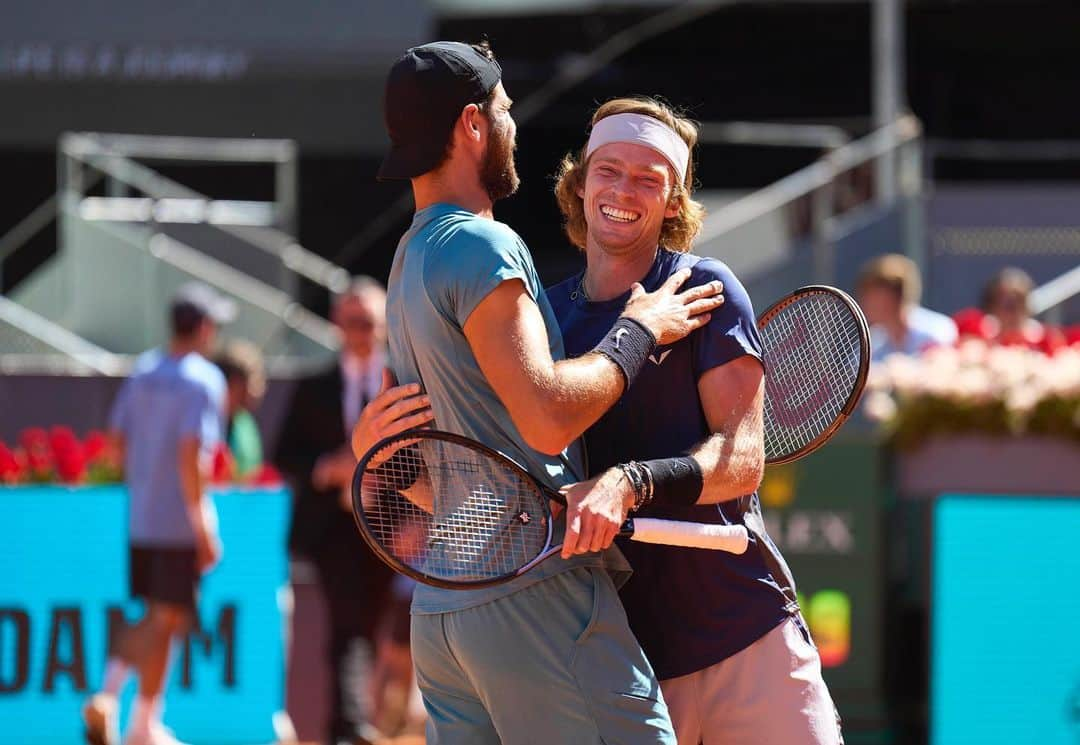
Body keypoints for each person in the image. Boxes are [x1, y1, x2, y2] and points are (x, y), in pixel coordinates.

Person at [359, 96, 844, 744]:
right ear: (580, 183)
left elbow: (741, 458)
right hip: (625, 658)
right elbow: (485, 497)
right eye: (608, 170)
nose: (624, 191)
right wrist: (387, 459)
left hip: (746, 634)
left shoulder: (706, 289)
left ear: (673, 202)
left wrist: (629, 482)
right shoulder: (540, 320)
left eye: (650, 178)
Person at [366, 41, 722, 745]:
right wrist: (637, 329)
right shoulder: (482, 246)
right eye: (503, 110)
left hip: (445, 613)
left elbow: (412, 465)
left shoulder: (407, 258)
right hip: (530, 595)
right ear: (472, 125)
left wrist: (373, 452)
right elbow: (548, 418)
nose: (513, 126)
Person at [82, 282, 234, 745]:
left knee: (162, 618)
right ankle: (108, 697)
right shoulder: (205, 380)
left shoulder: (144, 371)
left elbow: (115, 446)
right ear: (204, 328)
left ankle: (143, 725)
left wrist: (148, 479)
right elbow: (192, 456)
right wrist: (203, 524)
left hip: (142, 520)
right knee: (163, 617)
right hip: (176, 526)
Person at [273, 276, 395, 745]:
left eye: (368, 322)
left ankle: (356, 721)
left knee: (373, 622)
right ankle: (348, 727)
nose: (360, 331)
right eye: (352, 322)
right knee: (346, 624)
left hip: (388, 526)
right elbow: (285, 453)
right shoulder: (314, 387)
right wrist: (329, 467)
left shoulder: (401, 382)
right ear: (336, 324)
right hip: (332, 529)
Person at [856, 253, 957, 361]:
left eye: (873, 296)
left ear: (894, 297)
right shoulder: (873, 341)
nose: (865, 302)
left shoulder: (938, 330)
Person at [978, 266, 1065, 354]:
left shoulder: (1046, 339)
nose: (1013, 310)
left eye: (1019, 301)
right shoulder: (981, 338)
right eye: (1006, 304)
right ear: (991, 306)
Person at [213, 339, 266, 478]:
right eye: (255, 380)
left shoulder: (245, 425)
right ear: (232, 383)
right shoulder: (200, 420)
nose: (260, 389)